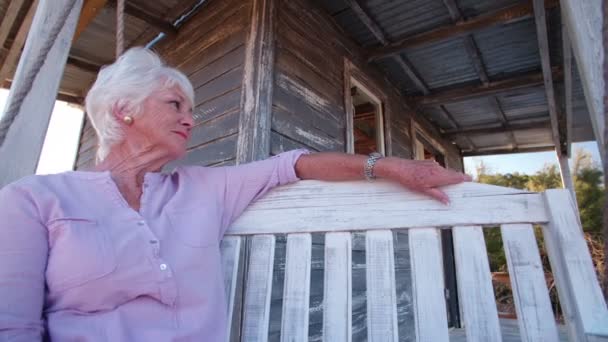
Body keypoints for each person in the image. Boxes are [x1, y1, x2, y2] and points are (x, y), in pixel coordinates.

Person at [0, 47, 470, 341]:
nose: (191, 118)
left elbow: (292, 163)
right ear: (124, 110)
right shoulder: (35, 199)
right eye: (175, 105)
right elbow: (13, 326)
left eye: (192, 108)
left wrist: (390, 165)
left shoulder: (203, 189)